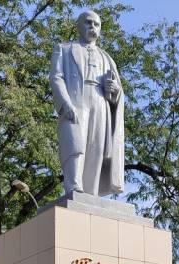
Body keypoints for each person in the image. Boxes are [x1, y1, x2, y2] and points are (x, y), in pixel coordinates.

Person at [49, 11, 124, 197]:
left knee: (96, 148)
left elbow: (118, 92)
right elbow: (56, 77)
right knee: (75, 145)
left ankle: (90, 194)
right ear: (78, 26)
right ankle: (74, 187)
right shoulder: (64, 49)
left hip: (100, 103)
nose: (93, 27)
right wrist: (65, 103)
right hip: (76, 101)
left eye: (97, 24)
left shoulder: (107, 58)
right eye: (88, 23)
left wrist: (114, 89)